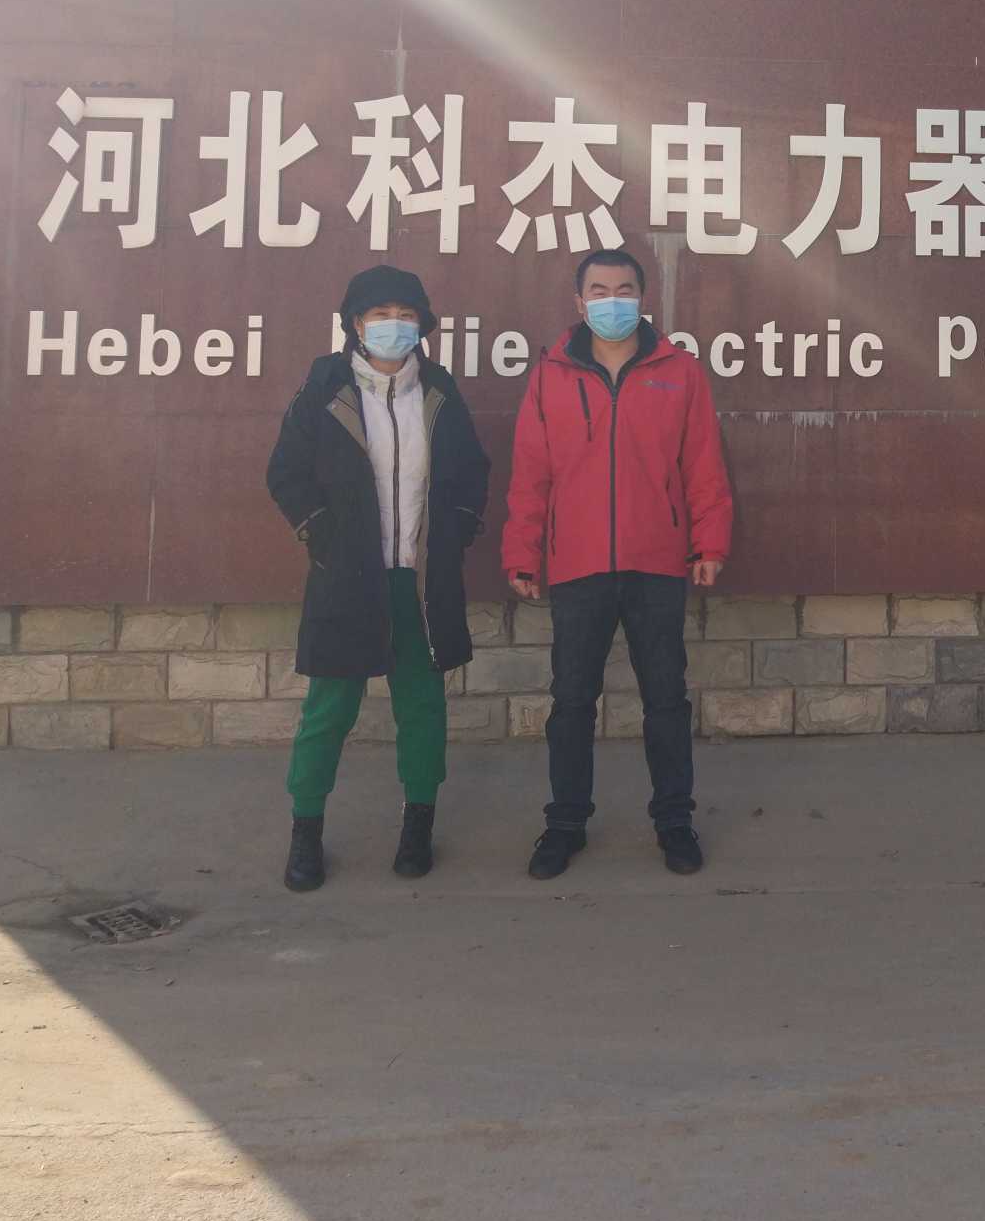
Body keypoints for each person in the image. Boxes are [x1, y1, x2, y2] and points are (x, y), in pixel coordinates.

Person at [504, 247, 733, 880]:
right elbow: (531, 474)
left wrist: (709, 544)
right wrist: (522, 551)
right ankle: (565, 824)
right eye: (599, 291)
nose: (612, 301)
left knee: (666, 700)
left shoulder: (679, 372)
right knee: (572, 702)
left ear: (643, 297)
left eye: (624, 289)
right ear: (579, 303)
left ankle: (675, 821)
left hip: (655, 561)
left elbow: (703, 465)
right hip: (577, 564)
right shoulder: (550, 375)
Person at [265, 265, 491, 893]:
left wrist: (457, 531)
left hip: (418, 580)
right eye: (380, 314)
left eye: (406, 314)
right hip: (347, 577)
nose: (394, 324)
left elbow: (471, 472)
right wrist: (321, 536)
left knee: (422, 706)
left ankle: (418, 825)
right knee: (328, 710)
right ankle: (306, 831)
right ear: (356, 324)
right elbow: (285, 473)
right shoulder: (325, 388)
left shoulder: (438, 391)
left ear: (423, 324)